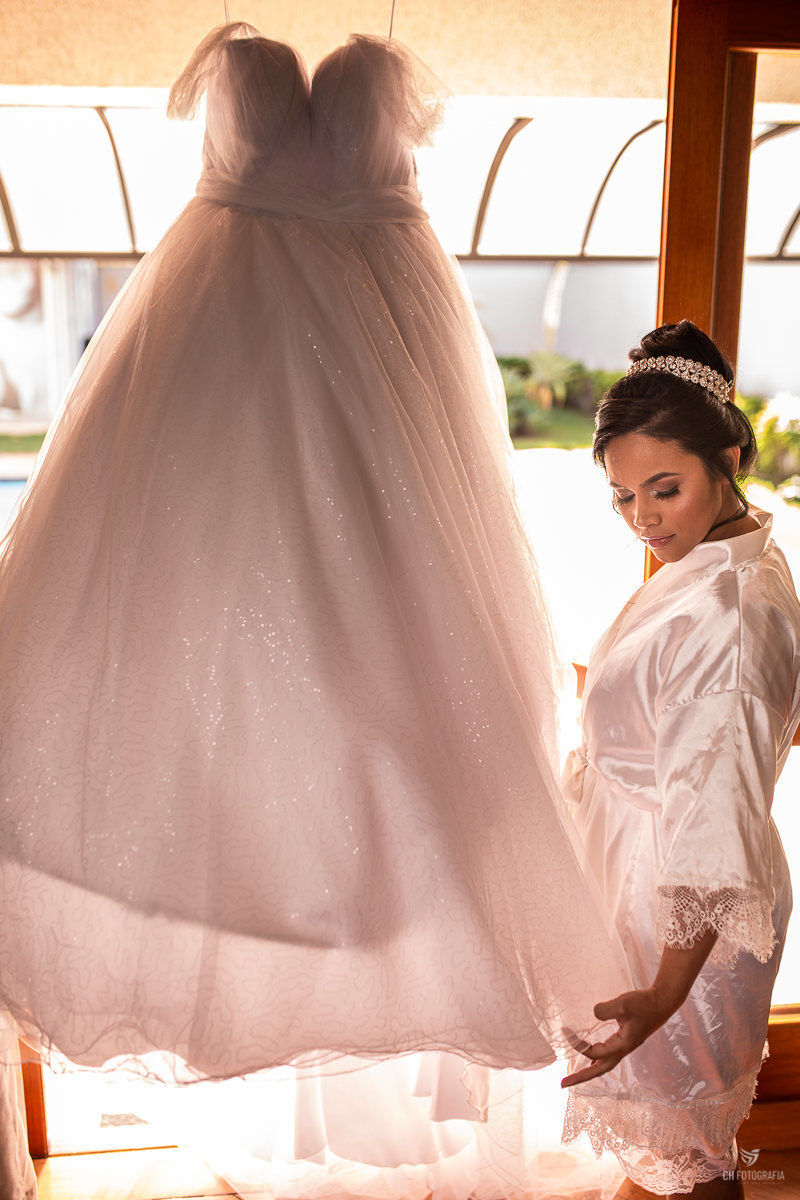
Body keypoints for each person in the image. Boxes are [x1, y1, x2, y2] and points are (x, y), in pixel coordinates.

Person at [0, 23, 629, 1095]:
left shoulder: (368, 86)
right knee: (189, 652)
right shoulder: (243, 75)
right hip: (218, 348)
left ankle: (373, 909)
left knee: (392, 670)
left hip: (383, 361)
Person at [560, 320, 800, 1197]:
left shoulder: (727, 618)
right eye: (624, 498)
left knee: (689, 1166)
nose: (644, 520)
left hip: (681, 928)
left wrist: (664, 994)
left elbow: (712, 817)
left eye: (664, 489)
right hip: (650, 891)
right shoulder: (719, 555)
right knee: (671, 1160)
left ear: (729, 451)